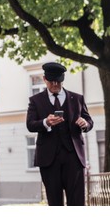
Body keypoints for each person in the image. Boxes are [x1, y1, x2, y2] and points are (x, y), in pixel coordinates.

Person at [26, 62, 93, 206]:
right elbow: (30, 125)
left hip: (74, 157)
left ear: (63, 79)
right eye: (52, 81)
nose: (55, 84)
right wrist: (46, 122)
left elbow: (89, 120)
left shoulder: (78, 98)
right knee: (55, 202)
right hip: (49, 159)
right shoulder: (35, 101)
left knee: (77, 202)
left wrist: (85, 124)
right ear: (44, 79)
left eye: (58, 81)